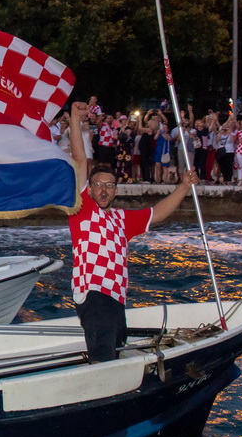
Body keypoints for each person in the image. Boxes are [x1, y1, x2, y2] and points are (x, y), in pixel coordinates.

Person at [67, 101, 198, 362]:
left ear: (116, 190)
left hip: (116, 298)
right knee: (104, 362)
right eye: (98, 185)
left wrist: (183, 188)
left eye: (110, 185)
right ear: (89, 189)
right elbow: (80, 159)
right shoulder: (82, 210)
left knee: (113, 356)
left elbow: (156, 213)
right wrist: (75, 120)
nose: (103, 190)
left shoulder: (120, 219)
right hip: (94, 293)